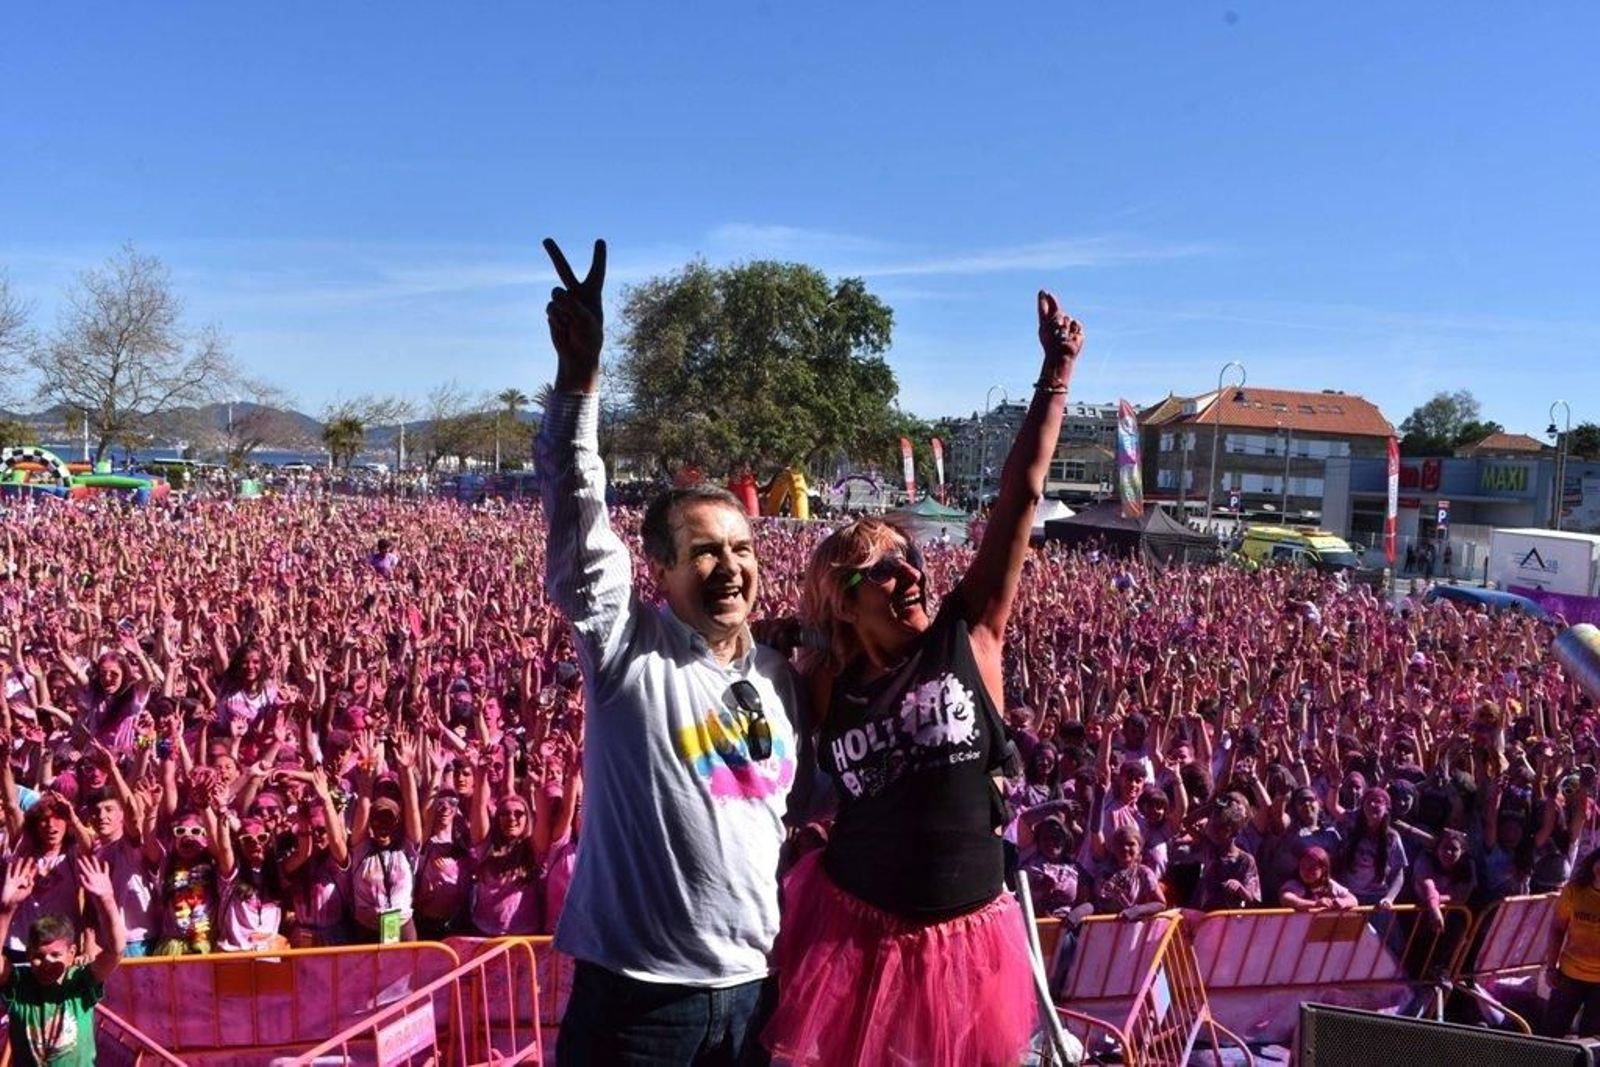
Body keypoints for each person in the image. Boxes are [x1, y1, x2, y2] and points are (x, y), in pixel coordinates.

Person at [763, 291, 1083, 1065]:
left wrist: (1056, 374)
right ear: (842, 600)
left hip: (969, 941)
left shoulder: (968, 632)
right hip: (854, 933)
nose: (910, 573)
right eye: (883, 568)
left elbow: (1020, 498)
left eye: (910, 558)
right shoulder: (824, 682)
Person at [536, 238, 800, 1066]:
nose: (730, 566)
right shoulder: (626, 650)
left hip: (756, 997)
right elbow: (577, 511)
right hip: (637, 1006)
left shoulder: (782, 676)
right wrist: (581, 381)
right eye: (705, 551)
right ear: (662, 569)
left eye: (743, 547)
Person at [0, 854, 125, 1067]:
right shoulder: (19, 984)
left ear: (71, 953)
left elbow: (115, 951)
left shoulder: (80, 982)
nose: (47, 962)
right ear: (28, 954)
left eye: (55, 955)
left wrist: (107, 900)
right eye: (39, 956)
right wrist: (6, 909)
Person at [1544, 848, 1600, 1037]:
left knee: (1591, 1043)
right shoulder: (1574, 890)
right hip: (1569, 975)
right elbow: (1557, 929)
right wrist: (1551, 967)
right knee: (1551, 1034)